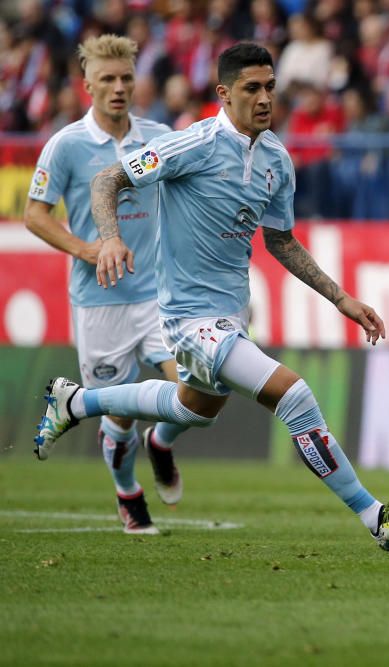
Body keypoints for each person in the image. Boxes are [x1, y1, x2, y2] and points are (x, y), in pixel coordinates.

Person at [33, 42, 389, 552]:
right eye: (251, 88)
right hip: (186, 319)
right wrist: (110, 238)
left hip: (231, 313)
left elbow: (280, 240)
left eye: (271, 88)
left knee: (193, 409)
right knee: (294, 395)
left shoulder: (278, 159)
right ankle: (376, 518)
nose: (264, 99)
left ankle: (76, 401)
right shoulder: (189, 145)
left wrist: (340, 297)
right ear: (224, 93)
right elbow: (109, 180)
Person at [25, 34, 186, 535]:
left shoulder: (158, 136)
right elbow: (34, 215)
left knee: (196, 392)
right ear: (87, 85)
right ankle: (128, 493)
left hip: (160, 294)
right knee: (117, 420)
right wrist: (87, 248)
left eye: (125, 79)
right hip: (100, 302)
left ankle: (161, 442)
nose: (118, 88)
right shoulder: (67, 144)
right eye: (107, 80)